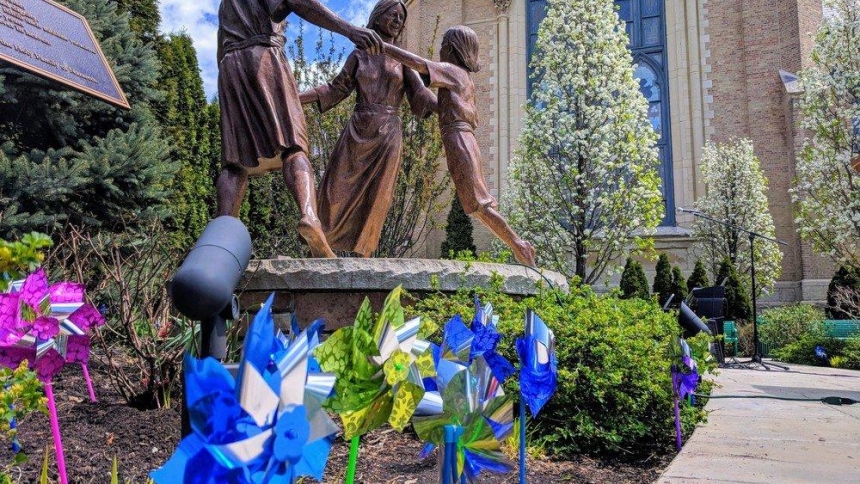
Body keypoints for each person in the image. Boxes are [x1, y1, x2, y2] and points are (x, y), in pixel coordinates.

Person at [216, 0, 382, 258]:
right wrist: (349, 29)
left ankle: (220, 239)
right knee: (294, 149)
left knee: (234, 163)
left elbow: (220, 49)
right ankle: (310, 217)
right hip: (264, 56)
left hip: (229, 68)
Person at [382, 26, 536, 266]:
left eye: (444, 44)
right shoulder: (463, 79)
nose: (441, 48)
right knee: (475, 205)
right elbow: (445, 108)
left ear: (453, 48)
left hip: (458, 140)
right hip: (461, 138)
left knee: (478, 203)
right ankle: (518, 245)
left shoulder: (453, 71)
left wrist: (384, 47)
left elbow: (419, 63)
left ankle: (519, 246)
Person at [299, 0, 436, 257]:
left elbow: (420, 93)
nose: (397, 21)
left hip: (388, 134)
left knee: (378, 195)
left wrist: (445, 105)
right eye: (392, 14)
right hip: (357, 130)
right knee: (334, 191)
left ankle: (362, 253)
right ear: (377, 17)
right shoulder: (359, 56)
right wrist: (296, 98)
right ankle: (319, 245)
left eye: (401, 17)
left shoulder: (403, 60)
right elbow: (335, 89)